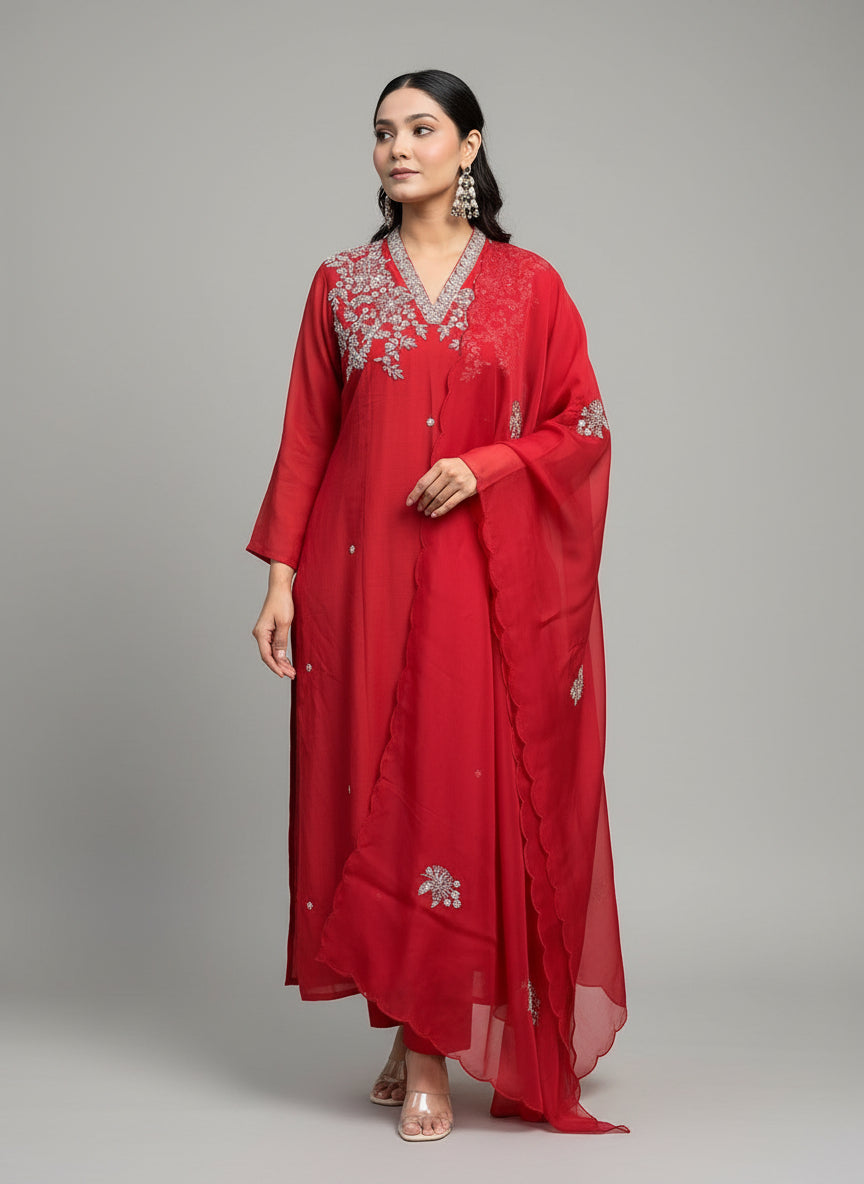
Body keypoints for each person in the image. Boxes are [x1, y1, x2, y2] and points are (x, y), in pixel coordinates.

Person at [247, 68, 629, 1142]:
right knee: (370, 793)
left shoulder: (529, 285)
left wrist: (492, 463)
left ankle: (431, 1054)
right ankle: (408, 1015)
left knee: (449, 796)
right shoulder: (337, 284)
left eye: (421, 129)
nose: (397, 147)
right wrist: (279, 579)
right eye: (382, 133)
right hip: (358, 583)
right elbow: (307, 440)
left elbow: (583, 426)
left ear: (469, 147)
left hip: (474, 588)